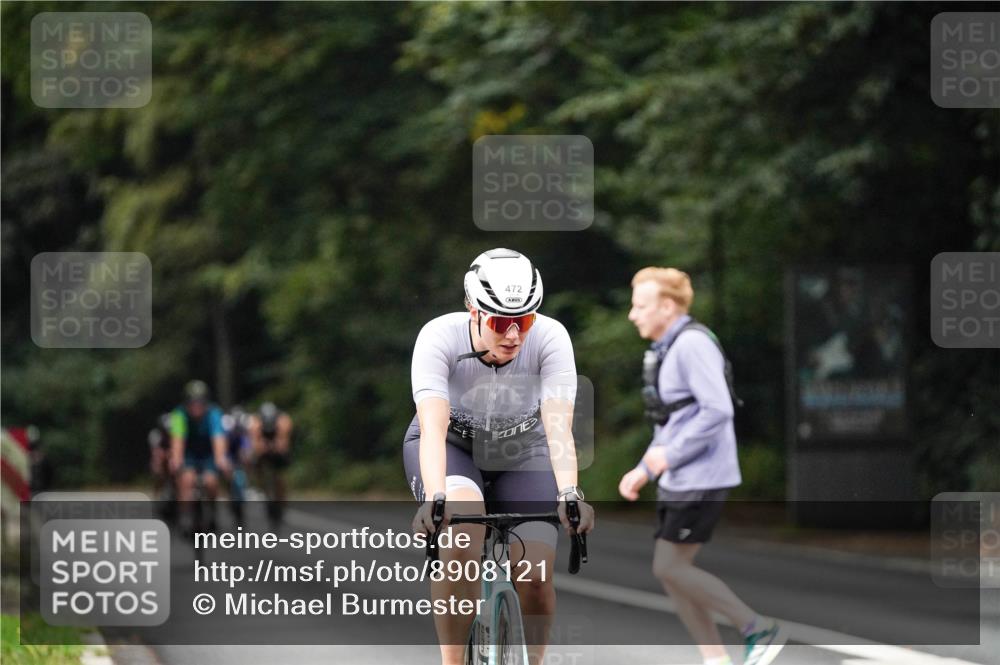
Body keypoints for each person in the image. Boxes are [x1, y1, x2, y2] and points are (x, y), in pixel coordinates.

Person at [404, 248, 595, 665]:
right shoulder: (439, 337)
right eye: (501, 322)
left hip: (525, 450)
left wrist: (569, 492)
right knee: (461, 541)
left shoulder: (550, 338)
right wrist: (435, 497)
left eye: (524, 320)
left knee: (536, 574)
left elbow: (558, 427)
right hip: (454, 447)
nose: (514, 335)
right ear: (473, 311)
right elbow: (434, 428)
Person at [619, 267, 786, 665]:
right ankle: (714, 658)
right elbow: (672, 420)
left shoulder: (692, 344)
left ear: (667, 306)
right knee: (671, 571)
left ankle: (758, 628)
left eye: (640, 306)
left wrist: (670, 456)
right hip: (681, 477)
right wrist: (645, 468)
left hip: (701, 476)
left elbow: (718, 410)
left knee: (670, 566)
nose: (632, 314)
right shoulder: (666, 349)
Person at [169, 380, 230, 533]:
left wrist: (221, 458)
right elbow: (177, 440)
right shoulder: (179, 414)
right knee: (186, 479)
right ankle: (185, 514)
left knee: (211, 481)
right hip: (188, 453)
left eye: (200, 402)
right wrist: (176, 460)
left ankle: (212, 512)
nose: (196, 406)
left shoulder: (214, 413)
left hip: (208, 454)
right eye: (192, 402)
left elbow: (218, 438)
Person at [249, 401, 293, 528]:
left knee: (280, 477)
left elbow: (283, 442)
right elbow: (255, 443)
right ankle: (263, 488)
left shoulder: (283, 421)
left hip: (277, 446)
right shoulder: (255, 422)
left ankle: (282, 499)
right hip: (263, 446)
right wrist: (261, 447)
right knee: (258, 467)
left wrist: (278, 446)